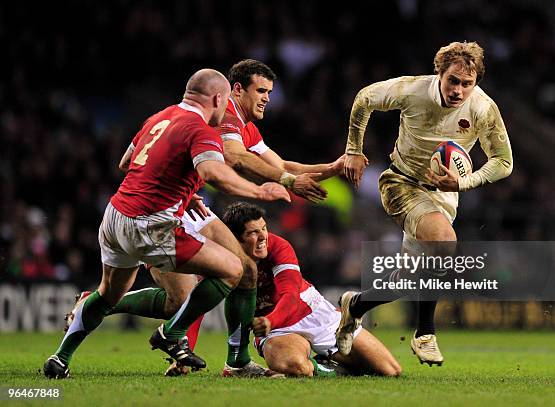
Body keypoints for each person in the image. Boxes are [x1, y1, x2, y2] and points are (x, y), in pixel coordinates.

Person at [66, 59, 346, 377]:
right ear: (235, 90)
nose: (267, 97)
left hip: (184, 205)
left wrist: (332, 169)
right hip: (160, 211)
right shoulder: (224, 119)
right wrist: (280, 184)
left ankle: (235, 361)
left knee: (246, 272)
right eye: (261, 90)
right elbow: (234, 160)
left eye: (270, 91)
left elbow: (280, 164)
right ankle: (159, 335)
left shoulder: (245, 127)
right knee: (185, 296)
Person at [336, 41, 513, 366]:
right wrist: (353, 149)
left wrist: (462, 182)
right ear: (439, 73)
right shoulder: (412, 90)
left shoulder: (483, 108)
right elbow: (365, 99)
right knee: (445, 243)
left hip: (444, 194)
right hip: (402, 183)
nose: (459, 90)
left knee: (408, 279)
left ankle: (355, 306)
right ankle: (425, 332)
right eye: (453, 81)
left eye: (467, 84)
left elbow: (503, 161)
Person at [223, 201, 401, 377]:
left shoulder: (279, 247)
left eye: (264, 228)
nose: (263, 237)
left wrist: (270, 320)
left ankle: (331, 364)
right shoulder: (225, 257)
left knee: (391, 371)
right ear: (235, 238)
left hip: (312, 312)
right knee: (298, 367)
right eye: (253, 232)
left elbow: (291, 296)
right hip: (278, 331)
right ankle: (325, 367)